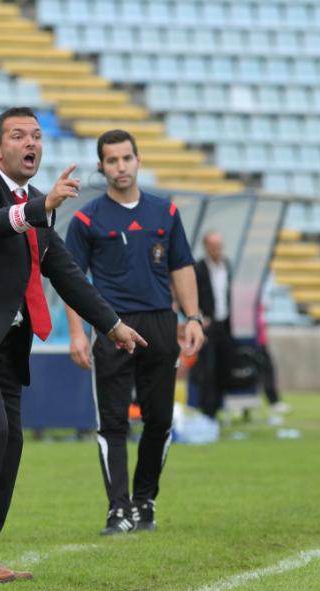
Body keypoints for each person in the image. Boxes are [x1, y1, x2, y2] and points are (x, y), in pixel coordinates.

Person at [0, 107, 148, 583]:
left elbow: (64, 272)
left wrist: (112, 324)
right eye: (18, 135)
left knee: (10, 442)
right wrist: (41, 208)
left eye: (37, 135)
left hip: (3, 340)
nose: (30, 143)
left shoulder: (37, 202)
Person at [63, 129, 206, 535]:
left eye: (126, 158)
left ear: (138, 160)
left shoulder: (167, 213)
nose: (120, 167)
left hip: (161, 324)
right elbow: (72, 280)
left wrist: (192, 318)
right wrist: (78, 333)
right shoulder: (88, 219)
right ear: (101, 166)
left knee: (159, 420)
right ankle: (118, 508)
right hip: (112, 326)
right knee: (113, 423)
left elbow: (181, 267)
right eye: (112, 160)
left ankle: (145, 501)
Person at [192, 231, 233, 420]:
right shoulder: (199, 268)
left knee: (223, 368)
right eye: (214, 246)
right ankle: (207, 412)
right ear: (206, 247)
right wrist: (198, 318)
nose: (218, 250)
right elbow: (191, 296)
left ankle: (217, 408)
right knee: (207, 369)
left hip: (224, 324)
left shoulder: (227, 266)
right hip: (208, 325)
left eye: (220, 246)